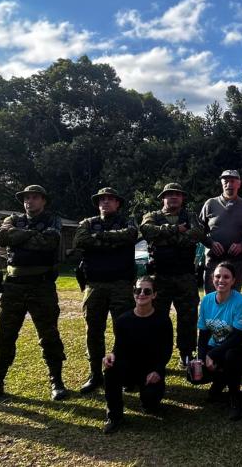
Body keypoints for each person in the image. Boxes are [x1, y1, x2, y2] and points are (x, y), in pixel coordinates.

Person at [0, 185, 68, 404]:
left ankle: (56, 381)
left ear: (43, 200)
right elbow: (2, 238)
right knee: (5, 335)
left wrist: (18, 237)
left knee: (49, 334)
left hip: (41, 285)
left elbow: (49, 242)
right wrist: (31, 235)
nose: (30, 201)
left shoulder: (52, 220)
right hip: (13, 287)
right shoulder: (12, 219)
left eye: (35, 197)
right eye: (27, 198)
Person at [73, 187, 138, 394]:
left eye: (110, 199)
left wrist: (98, 239)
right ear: (98, 203)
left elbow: (130, 236)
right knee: (93, 331)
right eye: (102, 200)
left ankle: (125, 372)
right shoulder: (87, 223)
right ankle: (95, 374)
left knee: (125, 330)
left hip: (121, 284)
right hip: (95, 285)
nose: (106, 202)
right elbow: (80, 241)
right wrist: (113, 241)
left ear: (118, 203)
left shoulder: (128, 222)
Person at [140, 182, 205, 368]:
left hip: (185, 276)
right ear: (163, 198)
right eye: (170, 194)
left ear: (182, 198)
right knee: (157, 317)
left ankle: (186, 353)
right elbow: (147, 231)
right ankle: (157, 355)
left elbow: (197, 234)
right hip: (160, 277)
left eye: (177, 194)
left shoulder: (190, 216)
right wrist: (176, 230)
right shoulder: (152, 216)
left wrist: (164, 238)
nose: (174, 197)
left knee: (188, 317)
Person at [101, 276, 173, 434]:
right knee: (111, 370)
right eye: (138, 290)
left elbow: (166, 351)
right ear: (133, 293)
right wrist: (111, 355)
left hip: (150, 370)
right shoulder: (123, 320)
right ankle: (114, 417)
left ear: (154, 295)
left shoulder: (163, 320)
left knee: (150, 405)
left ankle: (149, 396)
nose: (141, 294)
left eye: (147, 291)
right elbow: (119, 347)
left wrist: (158, 370)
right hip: (129, 368)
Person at [197, 261, 242, 420]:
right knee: (195, 374)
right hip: (217, 345)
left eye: (226, 277)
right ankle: (220, 381)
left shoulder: (240, 301)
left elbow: (237, 337)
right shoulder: (206, 301)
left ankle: (235, 398)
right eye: (217, 276)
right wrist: (202, 358)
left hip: (240, 347)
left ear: (233, 280)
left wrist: (212, 355)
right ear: (212, 278)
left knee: (230, 357)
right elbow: (203, 335)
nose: (221, 280)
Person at [199, 169, 242, 290]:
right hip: (213, 261)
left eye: (232, 181)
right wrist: (211, 243)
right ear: (221, 183)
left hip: (236, 262)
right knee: (212, 298)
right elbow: (198, 231)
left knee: (233, 298)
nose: (229, 184)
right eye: (225, 181)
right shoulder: (210, 204)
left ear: (239, 184)